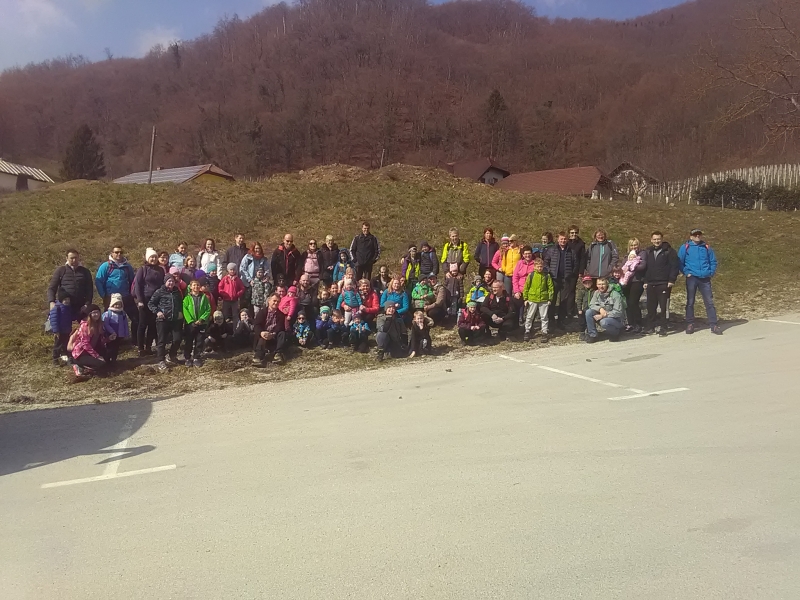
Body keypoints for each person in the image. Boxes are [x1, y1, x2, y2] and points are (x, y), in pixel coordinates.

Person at [678, 228, 721, 335]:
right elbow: (679, 262)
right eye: (695, 235)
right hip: (692, 277)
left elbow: (713, 261)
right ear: (691, 236)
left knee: (709, 302)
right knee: (690, 301)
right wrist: (686, 272)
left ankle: (714, 325)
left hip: (705, 278)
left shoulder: (706, 247)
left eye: (699, 235)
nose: (697, 236)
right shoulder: (685, 247)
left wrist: (710, 272)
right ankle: (690, 324)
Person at [94, 247, 137, 344]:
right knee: (108, 320)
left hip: (126, 297)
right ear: (112, 253)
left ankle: (135, 340)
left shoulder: (127, 266)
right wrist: (104, 295)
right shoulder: (106, 266)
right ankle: (110, 342)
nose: (119, 254)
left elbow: (133, 281)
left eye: (121, 252)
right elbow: (99, 281)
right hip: (111, 298)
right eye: (116, 252)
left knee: (136, 318)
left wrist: (132, 294)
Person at [642, 231, 679, 337]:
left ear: (662, 239)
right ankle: (651, 326)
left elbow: (674, 266)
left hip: (664, 283)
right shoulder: (648, 251)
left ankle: (663, 327)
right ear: (651, 240)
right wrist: (645, 281)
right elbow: (645, 268)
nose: (656, 241)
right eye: (654, 239)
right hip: (651, 283)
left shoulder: (669, 251)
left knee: (663, 307)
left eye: (658, 239)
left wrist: (671, 280)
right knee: (651, 306)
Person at [133, 248, 165, 356]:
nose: (154, 259)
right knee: (142, 324)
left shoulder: (160, 270)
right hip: (145, 300)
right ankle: (140, 348)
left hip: (156, 300)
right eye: (151, 257)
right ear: (147, 258)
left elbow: (162, 285)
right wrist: (139, 300)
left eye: (155, 257)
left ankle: (148, 347)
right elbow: (138, 285)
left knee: (152, 324)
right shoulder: (142, 269)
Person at [148, 274, 184, 371]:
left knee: (177, 339)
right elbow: (150, 303)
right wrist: (157, 312)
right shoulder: (159, 291)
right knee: (162, 341)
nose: (171, 283)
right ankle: (161, 360)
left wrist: (180, 313)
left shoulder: (177, 292)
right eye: (169, 281)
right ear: (165, 282)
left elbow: (180, 303)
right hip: (163, 320)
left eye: (173, 281)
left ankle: (172, 355)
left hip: (175, 320)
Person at [47, 249, 93, 321]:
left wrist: (87, 304)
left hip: (81, 306)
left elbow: (89, 289)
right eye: (71, 258)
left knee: (85, 327)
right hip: (65, 306)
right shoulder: (61, 270)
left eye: (76, 258)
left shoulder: (85, 271)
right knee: (65, 327)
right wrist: (51, 302)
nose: (74, 260)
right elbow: (52, 288)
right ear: (67, 258)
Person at [543, 232, 577, 329]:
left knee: (563, 301)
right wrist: (549, 271)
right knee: (552, 300)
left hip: (565, 279)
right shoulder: (552, 250)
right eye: (561, 239)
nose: (563, 241)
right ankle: (551, 320)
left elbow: (575, 263)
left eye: (565, 239)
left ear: (567, 240)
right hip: (554, 279)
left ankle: (561, 321)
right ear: (558, 240)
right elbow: (546, 262)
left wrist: (571, 274)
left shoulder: (571, 251)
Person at [69, 304, 107, 378]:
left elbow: (100, 341)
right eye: (94, 313)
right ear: (89, 314)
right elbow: (85, 344)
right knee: (100, 363)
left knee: (107, 361)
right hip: (81, 353)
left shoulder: (99, 324)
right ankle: (79, 365)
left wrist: (108, 339)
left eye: (97, 312)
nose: (96, 314)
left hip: (91, 351)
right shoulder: (85, 326)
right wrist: (97, 356)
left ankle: (89, 368)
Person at [522, 257, 554, 343]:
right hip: (532, 299)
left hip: (543, 299)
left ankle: (544, 332)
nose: (540, 268)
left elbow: (550, 287)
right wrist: (525, 298)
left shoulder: (546, 276)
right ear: (534, 267)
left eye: (541, 266)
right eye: (538, 266)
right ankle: (527, 331)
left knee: (544, 317)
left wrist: (550, 298)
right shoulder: (531, 275)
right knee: (529, 316)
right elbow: (526, 287)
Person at [584, 278, 624, 343]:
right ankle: (593, 335)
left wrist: (603, 315)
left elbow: (618, 312)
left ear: (607, 284)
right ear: (596, 285)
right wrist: (600, 309)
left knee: (604, 322)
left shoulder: (615, 294)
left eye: (603, 284)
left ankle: (615, 333)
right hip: (603, 316)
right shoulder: (596, 293)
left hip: (616, 319)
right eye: (599, 284)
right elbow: (591, 304)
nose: (601, 286)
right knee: (588, 312)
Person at [620, 238, 647, 333]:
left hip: (637, 280)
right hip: (627, 281)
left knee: (633, 302)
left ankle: (638, 324)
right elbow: (623, 266)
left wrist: (632, 267)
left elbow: (642, 266)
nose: (634, 247)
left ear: (638, 245)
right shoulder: (627, 255)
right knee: (628, 303)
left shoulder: (642, 254)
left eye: (635, 245)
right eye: (632, 245)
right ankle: (631, 323)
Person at [253, 294, 287, 366]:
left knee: (282, 333)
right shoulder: (262, 312)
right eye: (274, 301)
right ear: (269, 301)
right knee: (262, 338)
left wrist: (273, 334)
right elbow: (256, 325)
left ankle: (278, 355)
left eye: (278, 301)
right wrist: (261, 333)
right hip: (263, 336)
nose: (276, 303)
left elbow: (280, 327)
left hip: (274, 336)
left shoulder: (281, 315)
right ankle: (257, 357)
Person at [182, 279, 211, 366]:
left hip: (201, 323)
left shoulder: (204, 297)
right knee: (189, 341)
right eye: (194, 285)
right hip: (190, 324)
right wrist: (191, 321)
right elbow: (185, 310)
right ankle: (187, 358)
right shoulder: (187, 298)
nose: (196, 287)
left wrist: (202, 319)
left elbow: (208, 309)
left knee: (199, 341)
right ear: (190, 287)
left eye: (198, 285)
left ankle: (196, 357)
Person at [102, 293, 129, 365]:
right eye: (115, 304)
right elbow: (106, 324)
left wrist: (126, 334)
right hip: (110, 335)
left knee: (116, 347)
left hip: (119, 334)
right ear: (112, 304)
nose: (117, 306)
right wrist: (112, 332)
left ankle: (114, 360)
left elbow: (125, 324)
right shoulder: (107, 314)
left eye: (119, 304)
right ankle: (107, 360)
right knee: (109, 347)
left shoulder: (122, 314)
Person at [512, 246, 537, 322]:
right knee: (516, 304)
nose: (527, 255)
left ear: (532, 254)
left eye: (529, 253)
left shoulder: (535, 263)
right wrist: (516, 291)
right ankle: (517, 321)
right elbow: (515, 277)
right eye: (525, 254)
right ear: (523, 254)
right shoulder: (520, 263)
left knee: (531, 308)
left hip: (531, 290)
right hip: (520, 289)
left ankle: (529, 323)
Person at [49, 288, 73, 366]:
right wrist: (56, 331)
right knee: (58, 345)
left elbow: (71, 317)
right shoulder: (57, 308)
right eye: (65, 299)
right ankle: (55, 359)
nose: (67, 301)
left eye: (68, 299)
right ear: (61, 300)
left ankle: (68, 358)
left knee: (66, 344)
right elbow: (54, 320)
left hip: (67, 330)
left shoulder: (68, 308)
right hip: (59, 331)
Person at [576, 275, 595, 340]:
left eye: (589, 282)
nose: (587, 284)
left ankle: (588, 332)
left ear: (591, 283)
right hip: (583, 309)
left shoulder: (594, 291)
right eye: (585, 283)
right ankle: (582, 332)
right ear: (583, 284)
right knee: (582, 322)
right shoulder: (581, 291)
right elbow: (579, 300)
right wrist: (579, 309)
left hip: (590, 309)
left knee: (589, 321)